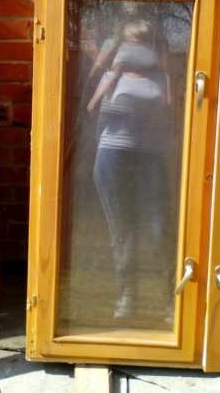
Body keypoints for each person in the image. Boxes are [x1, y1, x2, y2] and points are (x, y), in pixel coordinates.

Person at [87, 19, 174, 322]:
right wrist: (113, 75)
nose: (135, 51)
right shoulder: (111, 75)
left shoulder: (161, 78)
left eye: (141, 45)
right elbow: (92, 110)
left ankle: (171, 299)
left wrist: (166, 71)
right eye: (130, 45)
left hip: (151, 157)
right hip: (112, 156)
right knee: (121, 229)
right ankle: (127, 296)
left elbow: (171, 112)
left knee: (159, 228)